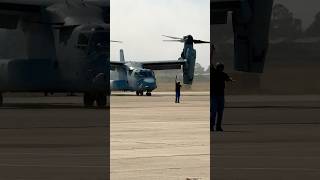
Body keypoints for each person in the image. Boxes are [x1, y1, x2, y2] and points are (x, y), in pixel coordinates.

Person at [211, 62, 233, 132]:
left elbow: (227, 78)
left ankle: (218, 126)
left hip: (221, 96)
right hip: (214, 96)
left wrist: (230, 79)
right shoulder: (213, 74)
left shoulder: (223, 74)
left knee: (220, 112)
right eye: (219, 68)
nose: (220, 69)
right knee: (214, 112)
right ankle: (211, 126)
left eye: (221, 68)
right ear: (217, 68)